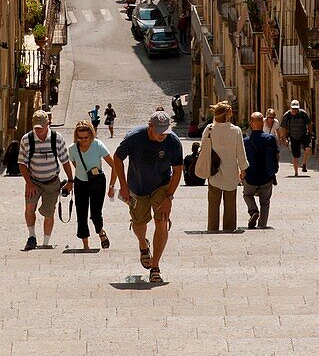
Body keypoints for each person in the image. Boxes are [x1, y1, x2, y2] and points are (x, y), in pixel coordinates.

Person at [114, 110, 183, 285]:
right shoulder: (134, 137)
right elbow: (117, 157)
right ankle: (143, 245)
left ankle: (155, 267)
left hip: (161, 184)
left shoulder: (173, 141)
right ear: (150, 126)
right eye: (159, 130)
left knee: (161, 221)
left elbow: (177, 171)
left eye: (165, 130)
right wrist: (123, 184)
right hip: (137, 186)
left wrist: (169, 197)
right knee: (139, 223)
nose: (162, 134)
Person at [18, 109, 73, 251]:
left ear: (48, 124)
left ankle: (46, 241)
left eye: (41, 128)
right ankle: (31, 237)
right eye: (36, 128)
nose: (39, 131)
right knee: (30, 207)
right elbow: (22, 163)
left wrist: (70, 181)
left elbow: (65, 161)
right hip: (33, 181)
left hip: (52, 182)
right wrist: (29, 184)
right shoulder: (27, 139)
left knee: (49, 212)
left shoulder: (57, 138)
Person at [197, 101, 248, 233]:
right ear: (227, 114)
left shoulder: (209, 129)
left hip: (214, 171)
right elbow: (240, 152)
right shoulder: (235, 131)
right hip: (231, 172)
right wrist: (243, 169)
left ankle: (213, 228)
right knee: (230, 204)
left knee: (213, 204)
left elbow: (203, 147)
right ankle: (229, 228)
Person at [68, 120, 115, 250]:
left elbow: (114, 166)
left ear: (91, 135)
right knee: (81, 214)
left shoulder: (98, 145)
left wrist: (112, 186)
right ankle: (86, 245)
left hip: (97, 182)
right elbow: (75, 164)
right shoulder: (72, 149)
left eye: (86, 137)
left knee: (95, 213)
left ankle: (101, 232)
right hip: (80, 182)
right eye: (80, 138)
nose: (83, 140)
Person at [242, 112, 279, 229]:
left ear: (251, 124)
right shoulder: (270, 139)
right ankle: (262, 225)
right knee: (265, 202)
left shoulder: (246, 141)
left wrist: (242, 171)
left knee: (247, 194)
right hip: (266, 176)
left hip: (250, 176)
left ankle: (253, 211)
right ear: (263, 123)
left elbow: (242, 158)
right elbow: (276, 156)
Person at [280, 99, 312, 177]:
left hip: (303, 134)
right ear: (290, 108)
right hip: (293, 136)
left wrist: (310, 134)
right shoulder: (287, 115)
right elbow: (283, 127)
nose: (294, 110)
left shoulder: (303, 114)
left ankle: (304, 163)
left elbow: (309, 124)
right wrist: (284, 138)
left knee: (308, 148)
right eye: (293, 108)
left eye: (296, 109)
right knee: (295, 155)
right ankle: (296, 172)